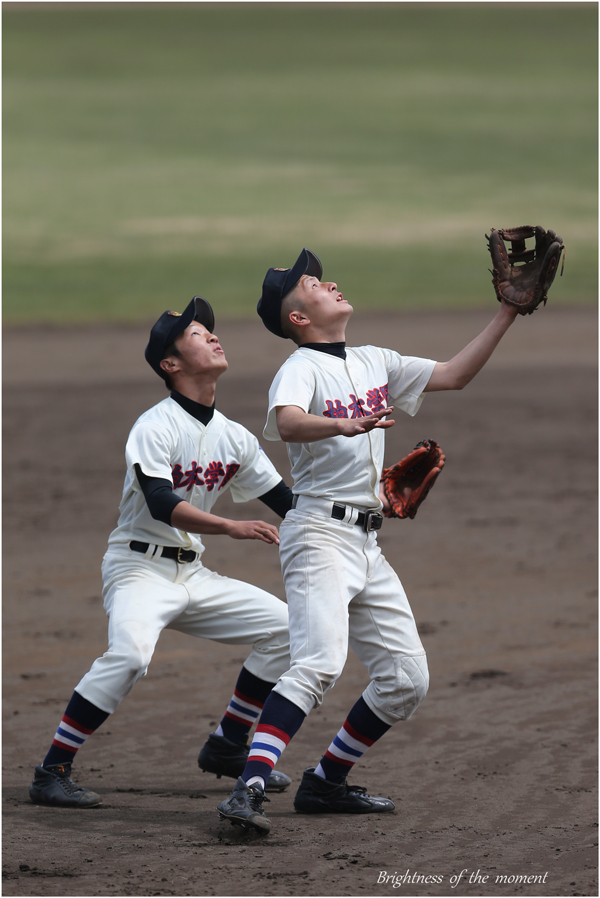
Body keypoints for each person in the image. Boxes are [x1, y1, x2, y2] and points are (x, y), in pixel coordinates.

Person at [217, 247, 521, 835]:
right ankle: (249, 787)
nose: (327, 282)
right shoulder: (302, 366)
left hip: (366, 544)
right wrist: (344, 424)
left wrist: (507, 311)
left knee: (407, 680)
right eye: (310, 283)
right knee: (320, 662)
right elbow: (286, 422)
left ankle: (327, 781)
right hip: (318, 536)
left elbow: (454, 375)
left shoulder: (375, 360)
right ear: (297, 318)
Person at [29, 296, 296, 808]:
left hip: (193, 576)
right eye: (196, 334)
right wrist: (229, 526)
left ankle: (226, 745)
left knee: (286, 629)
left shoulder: (233, 436)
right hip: (137, 569)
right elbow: (159, 502)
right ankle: (52, 769)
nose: (213, 336)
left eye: (210, 331)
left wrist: (358, 507)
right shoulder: (155, 426)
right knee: (129, 656)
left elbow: (287, 502)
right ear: (169, 365)